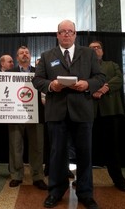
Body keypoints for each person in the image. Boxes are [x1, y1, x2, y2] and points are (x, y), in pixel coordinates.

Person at [32, 20, 105, 208]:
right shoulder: (47, 55)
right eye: (62, 31)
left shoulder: (88, 54)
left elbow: (100, 77)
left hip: (82, 111)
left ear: (75, 34)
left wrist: (87, 84)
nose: (66, 34)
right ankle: (55, 191)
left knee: (85, 154)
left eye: (69, 31)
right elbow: (37, 80)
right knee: (57, 154)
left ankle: (85, 193)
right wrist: (51, 85)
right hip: (56, 112)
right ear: (57, 35)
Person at [89, 41, 125, 192]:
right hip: (90, 113)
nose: (95, 50)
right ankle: (84, 180)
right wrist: (93, 89)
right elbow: (82, 82)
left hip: (110, 112)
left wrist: (104, 88)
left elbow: (118, 79)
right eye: (92, 48)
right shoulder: (85, 67)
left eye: (98, 47)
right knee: (87, 148)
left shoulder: (112, 65)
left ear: (102, 51)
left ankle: (119, 180)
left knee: (113, 148)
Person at [7, 46, 48, 191]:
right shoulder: (9, 73)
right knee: (15, 145)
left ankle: (37, 177)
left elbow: (45, 90)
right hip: (15, 114)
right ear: (17, 57)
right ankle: (16, 176)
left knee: (37, 147)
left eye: (27, 53)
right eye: (21, 53)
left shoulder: (39, 72)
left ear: (30, 56)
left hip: (36, 114)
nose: (24, 55)